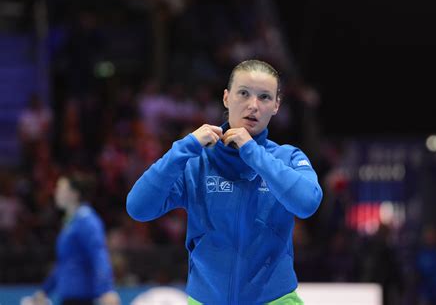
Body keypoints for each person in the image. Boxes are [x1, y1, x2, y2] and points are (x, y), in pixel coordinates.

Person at [126, 59, 323, 304]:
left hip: (275, 299)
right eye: (243, 93)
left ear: (276, 106)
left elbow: (307, 204)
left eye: (264, 97)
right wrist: (184, 147)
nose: (253, 105)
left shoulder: (288, 157)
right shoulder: (196, 161)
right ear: (226, 98)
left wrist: (251, 151)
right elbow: (138, 208)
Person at [32, 172, 121, 305]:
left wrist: (106, 289)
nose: (55, 192)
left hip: (82, 298)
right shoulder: (70, 223)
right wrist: (45, 291)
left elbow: (98, 254)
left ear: (74, 194)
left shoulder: (87, 220)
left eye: (60, 189)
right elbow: (64, 263)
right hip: (68, 298)